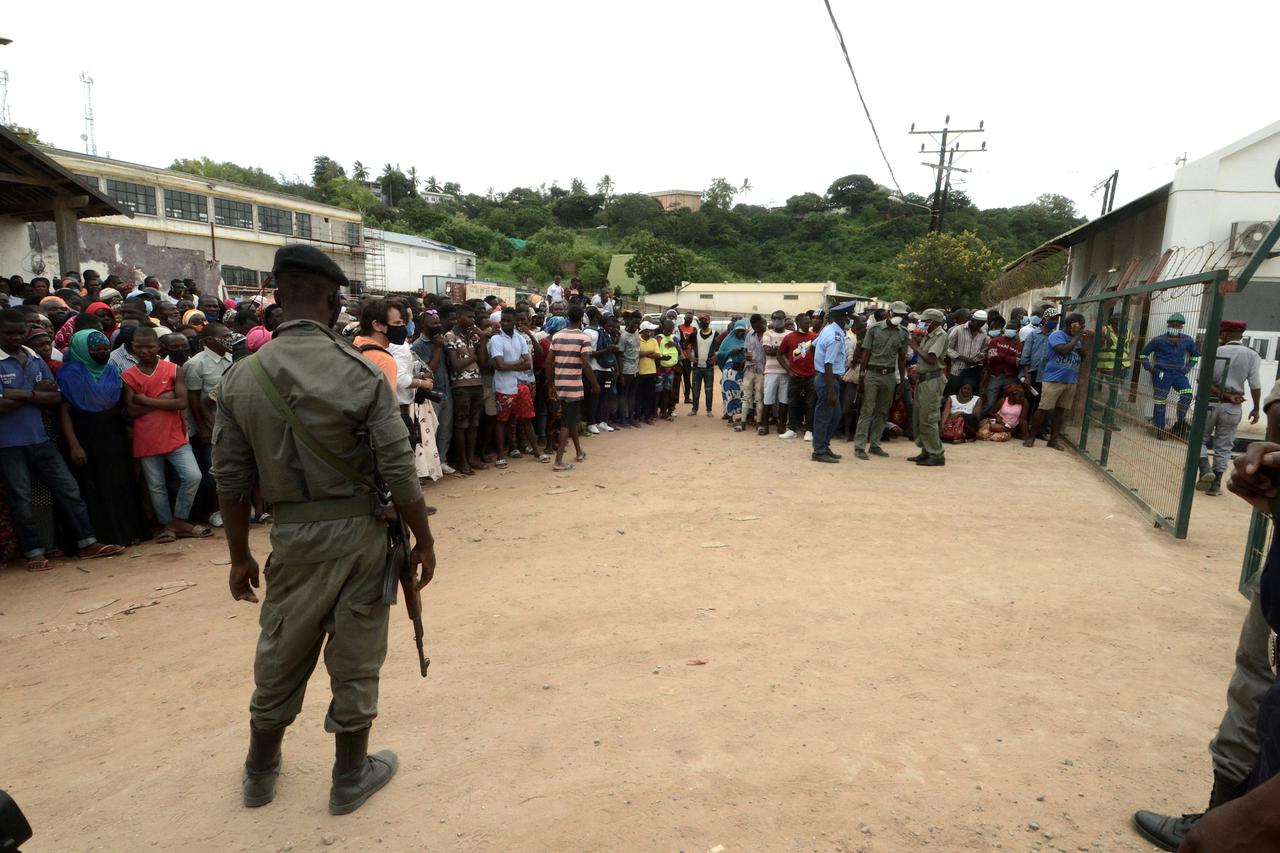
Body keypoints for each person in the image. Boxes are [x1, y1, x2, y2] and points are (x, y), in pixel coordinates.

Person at [212, 245, 436, 816]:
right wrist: (424, 540)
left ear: (275, 295)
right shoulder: (360, 373)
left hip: (291, 537)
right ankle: (348, 777)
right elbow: (399, 470)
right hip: (360, 534)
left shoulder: (241, 377)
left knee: (281, 647)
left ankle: (260, 772)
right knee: (357, 653)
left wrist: (239, 557)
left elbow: (231, 483)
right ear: (335, 301)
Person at [0, 309, 126, 571]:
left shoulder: (35, 359)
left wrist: (19, 395)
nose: (15, 337)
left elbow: (55, 397)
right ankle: (34, 552)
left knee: (69, 490)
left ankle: (87, 542)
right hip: (8, 444)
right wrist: (36, 395)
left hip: (40, 439)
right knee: (21, 499)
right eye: (8, 333)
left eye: (19, 332)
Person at [57, 329, 150, 547]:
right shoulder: (69, 374)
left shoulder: (112, 370)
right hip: (85, 437)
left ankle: (129, 532)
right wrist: (74, 445)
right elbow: (64, 413)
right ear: (82, 351)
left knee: (122, 484)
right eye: (95, 350)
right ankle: (104, 538)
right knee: (95, 488)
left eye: (105, 349)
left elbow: (122, 406)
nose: (102, 353)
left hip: (114, 435)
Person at [122, 326, 208, 542]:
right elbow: (132, 411)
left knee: (192, 476)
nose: (144, 351)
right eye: (139, 347)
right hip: (146, 438)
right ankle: (168, 524)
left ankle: (177, 521)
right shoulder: (128, 375)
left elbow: (180, 402)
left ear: (158, 347)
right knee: (156, 486)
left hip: (175, 435)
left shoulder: (173, 369)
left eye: (149, 346)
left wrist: (147, 400)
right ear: (132, 348)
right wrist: (165, 399)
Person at [1197, 320, 1262, 496]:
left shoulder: (1214, 352)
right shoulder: (1252, 355)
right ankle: (1216, 483)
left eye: (1221, 334)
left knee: (1199, 439)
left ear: (1225, 335)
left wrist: (1224, 394)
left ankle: (1204, 469)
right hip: (1232, 407)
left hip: (1209, 403)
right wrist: (1256, 408)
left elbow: (1202, 380)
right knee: (1224, 445)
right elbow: (1255, 385)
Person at [1024, 312, 1091, 451]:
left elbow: (1078, 356)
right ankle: (1031, 437)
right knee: (1043, 409)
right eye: (1081, 325)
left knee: (1060, 412)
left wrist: (1082, 353)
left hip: (1070, 379)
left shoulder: (1076, 340)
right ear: (1072, 325)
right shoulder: (1057, 335)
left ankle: (1053, 440)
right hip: (1054, 379)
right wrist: (1077, 337)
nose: (1083, 328)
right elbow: (1063, 350)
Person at [853, 302, 909, 460]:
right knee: (867, 410)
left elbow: (902, 359)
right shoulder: (874, 329)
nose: (900, 317)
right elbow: (866, 354)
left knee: (883, 412)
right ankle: (860, 446)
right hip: (873, 373)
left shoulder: (903, 333)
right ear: (890, 313)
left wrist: (901, 382)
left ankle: (875, 445)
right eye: (897, 314)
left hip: (890, 375)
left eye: (902, 315)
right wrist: (862, 377)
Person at [546, 304, 599, 470]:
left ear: (567, 317)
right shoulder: (583, 338)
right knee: (566, 423)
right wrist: (595, 384)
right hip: (573, 386)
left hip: (560, 383)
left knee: (571, 419)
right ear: (582, 318)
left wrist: (550, 384)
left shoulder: (557, 336)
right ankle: (558, 462)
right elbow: (586, 364)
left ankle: (578, 452)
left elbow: (549, 361)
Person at [488, 307, 543, 465]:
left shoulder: (520, 338)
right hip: (503, 386)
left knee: (527, 419)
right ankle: (500, 456)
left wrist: (512, 364)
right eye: (502, 320)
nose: (504, 323)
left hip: (521, 385)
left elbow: (528, 363)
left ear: (514, 322)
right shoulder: (496, 340)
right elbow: (500, 366)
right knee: (502, 421)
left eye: (508, 320)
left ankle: (537, 453)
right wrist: (519, 362)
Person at [1141, 311, 1201, 438]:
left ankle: (1181, 422)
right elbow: (1143, 354)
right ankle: (1160, 429)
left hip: (1178, 374)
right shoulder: (1158, 340)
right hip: (1161, 374)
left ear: (1181, 327)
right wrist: (1150, 368)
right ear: (1168, 325)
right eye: (1173, 324)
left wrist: (1187, 368)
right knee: (1160, 401)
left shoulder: (1187, 340)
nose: (1175, 327)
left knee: (1187, 393)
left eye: (1178, 325)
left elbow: (1195, 355)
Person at [444, 305, 487, 475]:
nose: (472, 320)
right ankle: (462, 461)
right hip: (460, 386)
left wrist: (483, 337)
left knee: (474, 424)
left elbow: (483, 361)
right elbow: (455, 366)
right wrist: (473, 357)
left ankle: (471, 459)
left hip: (476, 384)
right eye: (469, 317)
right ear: (460, 317)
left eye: (473, 317)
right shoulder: (450, 336)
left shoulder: (474, 336)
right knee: (462, 424)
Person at [907, 308, 950, 466]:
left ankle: (936, 454)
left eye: (925, 321)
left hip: (932, 381)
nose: (922, 323)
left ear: (934, 322)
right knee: (920, 415)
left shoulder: (940, 336)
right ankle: (926, 450)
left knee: (929, 417)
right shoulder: (929, 335)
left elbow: (931, 359)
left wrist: (915, 346)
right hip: (923, 380)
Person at [811, 304, 852, 462]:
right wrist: (831, 390)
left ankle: (824, 445)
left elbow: (814, 347)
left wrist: (817, 365)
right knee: (824, 416)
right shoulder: (834, 335)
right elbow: (828, 364)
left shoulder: (827, 330)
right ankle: (819, 451)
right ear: (841, 317)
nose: (849, 320)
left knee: (835, 415)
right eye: (848, 316)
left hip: (825, 377)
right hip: (828, 379)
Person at [779, 312, 818, 440]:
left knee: (810, 403)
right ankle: (792, 429)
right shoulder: (789, 338)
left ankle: (809, 430)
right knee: (792, 402)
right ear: (798, 323)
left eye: (809, 321)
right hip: (795, 375)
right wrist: (788, 370)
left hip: (811, 376)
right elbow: (780, 354)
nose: (809, 324)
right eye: (806, 322)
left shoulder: (814, 337)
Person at [979, 318, 1023, 414]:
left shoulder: (1020, 346)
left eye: (1012, 328)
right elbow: (993, 357)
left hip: (1010, 378)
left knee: (1006, 404)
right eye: (1008, 327)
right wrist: (1010, 358)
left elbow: (1018, 362)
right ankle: (978, 421)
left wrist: (1001, 355)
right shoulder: (996, 341)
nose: (1009, 330)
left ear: (1018, 330)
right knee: (989, 403)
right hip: (995, 376)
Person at [945, 309, 988, 397]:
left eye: (982, 324)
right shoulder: (958, 330)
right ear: (972, 320)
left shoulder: (983, 334)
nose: (979, 326)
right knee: (952, 394)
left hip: (973, 370)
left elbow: (983, 350)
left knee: (970, 396)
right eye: (978, 323)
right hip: (957, 369)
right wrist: (963, 358)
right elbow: (947, 348)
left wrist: (978, 359)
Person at [761, 309, 790, 434]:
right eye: (775, 318)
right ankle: (764, 426)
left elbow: (793, 351)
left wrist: (776, 348)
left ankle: (781, 426)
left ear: (785, 320)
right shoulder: (767, 333)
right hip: (771, 371)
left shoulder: (790, 334)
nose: (777, 321)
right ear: (772, 320)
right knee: (768, 399)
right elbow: (767, 351)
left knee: (784, 400)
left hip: (786, 372)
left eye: (780, 318)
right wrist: (783, 350)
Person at [738, 314, 767, 434]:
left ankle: (759, 424)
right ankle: (743, 423)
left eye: (757, 325)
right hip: (749, 369)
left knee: (759, 398)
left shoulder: (768, 334)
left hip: (763, 371)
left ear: (762, 323)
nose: (755, 327)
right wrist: (748, 359)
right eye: (753, 325)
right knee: (746, 397)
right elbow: (746, 350)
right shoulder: (750, 334)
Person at [1019, 313, 1050, 421]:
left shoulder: (1055, 336)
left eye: (1056, 319)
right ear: (1045, 320)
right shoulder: (1033, 335)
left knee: (1041, 403)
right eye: (1052, 319)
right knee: (1028, 401)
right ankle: (1023, 428)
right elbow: (1025, 356)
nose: (1055, 321)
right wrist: (1027, 376)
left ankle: (1037, 429)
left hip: (1047, 375)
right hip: (1033, 373)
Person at [688, 314, 718, 417]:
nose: (702, 322)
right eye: (700, 321)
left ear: (708, 321)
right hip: (696, 367)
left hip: (709, 367)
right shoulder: (694, 334)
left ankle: (709, 410)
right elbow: (687, 346)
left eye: (704, 320)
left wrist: (715, 357)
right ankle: (694, 409)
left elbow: (719, 348)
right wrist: (690, 357)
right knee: (695, 389)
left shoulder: (715, 334)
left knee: (708, 389)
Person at [618, 312, 641, 427]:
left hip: (636, 369)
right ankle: (623, 419)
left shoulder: (637, 332)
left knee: (632, 394)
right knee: (624, 394)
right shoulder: (623, 337)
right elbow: (620, 355)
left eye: (638, 323)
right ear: (629, 322)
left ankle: (631, 418)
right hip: (626, 369)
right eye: (634, 323)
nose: (636, 325)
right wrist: (621, 374)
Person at [637, 321, 661, 424]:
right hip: (640, 372)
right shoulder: (637, 339)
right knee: (639, 396)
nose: (652, 332)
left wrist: (644, 354)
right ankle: (638, 416)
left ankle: (647, 416)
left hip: (651, 371)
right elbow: (637, 353)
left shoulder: (653, 341)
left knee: (649, 395)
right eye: (650, 330)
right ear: (644, 331)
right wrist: (649, 352)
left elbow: (657, 355)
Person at [656, 317, 680, 421]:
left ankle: (664, 412)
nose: (669, 331)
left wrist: (675, 345)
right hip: (659, 369)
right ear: (663, 328)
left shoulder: (675, 339)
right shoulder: (658, 338)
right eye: (667, 329)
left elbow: (679, 353)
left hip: (670, 369)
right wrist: (662, 358)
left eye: (671, 330)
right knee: (657, 391)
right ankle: (654, 412)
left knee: (667, 391)